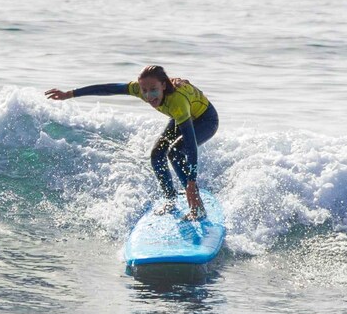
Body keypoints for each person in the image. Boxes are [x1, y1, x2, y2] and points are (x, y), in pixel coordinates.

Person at [45, 65, 218, 220]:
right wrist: (70, 94)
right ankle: (171, 199)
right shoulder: (141, 90)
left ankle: (197, 206)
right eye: (144, 90)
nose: (149, 96)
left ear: (163, 86)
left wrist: (191, 181)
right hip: (181, 117)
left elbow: (190, 144)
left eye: (153, 90)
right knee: (157, 155)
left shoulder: (177, 102)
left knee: (175, 152)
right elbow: (108, 89)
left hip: (206, 120)